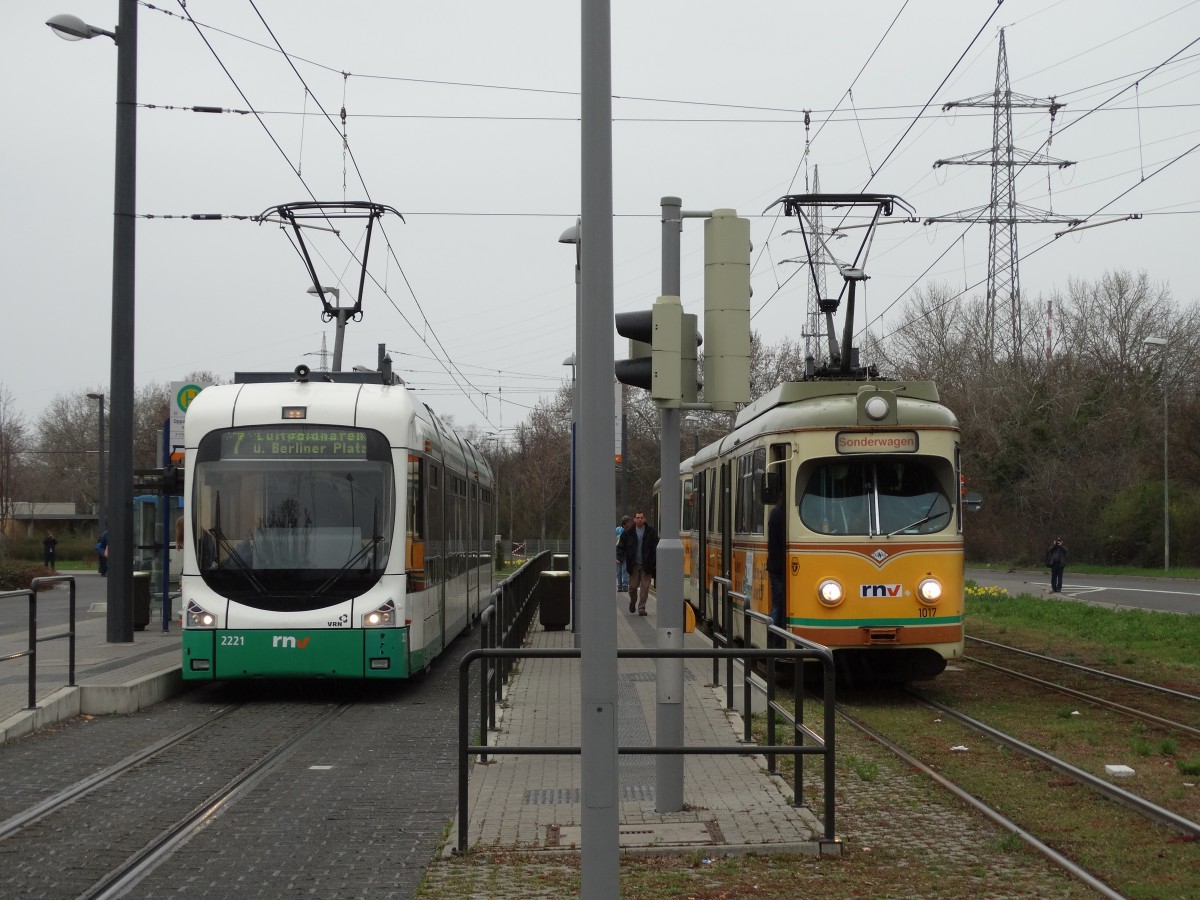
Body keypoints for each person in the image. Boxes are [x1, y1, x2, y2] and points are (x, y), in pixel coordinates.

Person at [616, 511, 657, 616]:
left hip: (646, 565)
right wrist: (619, 557)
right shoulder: (628, 532)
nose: (639, 519)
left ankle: (641, 607)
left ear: (644, 519)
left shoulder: (651, 532)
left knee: (645, 587)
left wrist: (655, 561)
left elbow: (655, 547)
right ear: (634, 519)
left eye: (641, 517)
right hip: (633, 565)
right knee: (633, 587)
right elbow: (621, 546)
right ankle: (633, 601)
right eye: (637, 518)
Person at [766, 504, 786, 648]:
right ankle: (775, 643)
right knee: (778, 604)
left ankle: (775, 643)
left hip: (776, 566)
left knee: (777, 604)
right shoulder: (780, 514)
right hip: (779, 568)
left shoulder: (775, 513)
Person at [614, 515, 631, 591]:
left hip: (622, 553)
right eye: (628, 522)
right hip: (620, 553)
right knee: (622, 570)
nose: (630, 523)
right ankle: (622, 585)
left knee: (622, 570)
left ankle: (622, 585)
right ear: (626, 523)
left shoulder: (618, 530)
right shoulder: (619, 530)